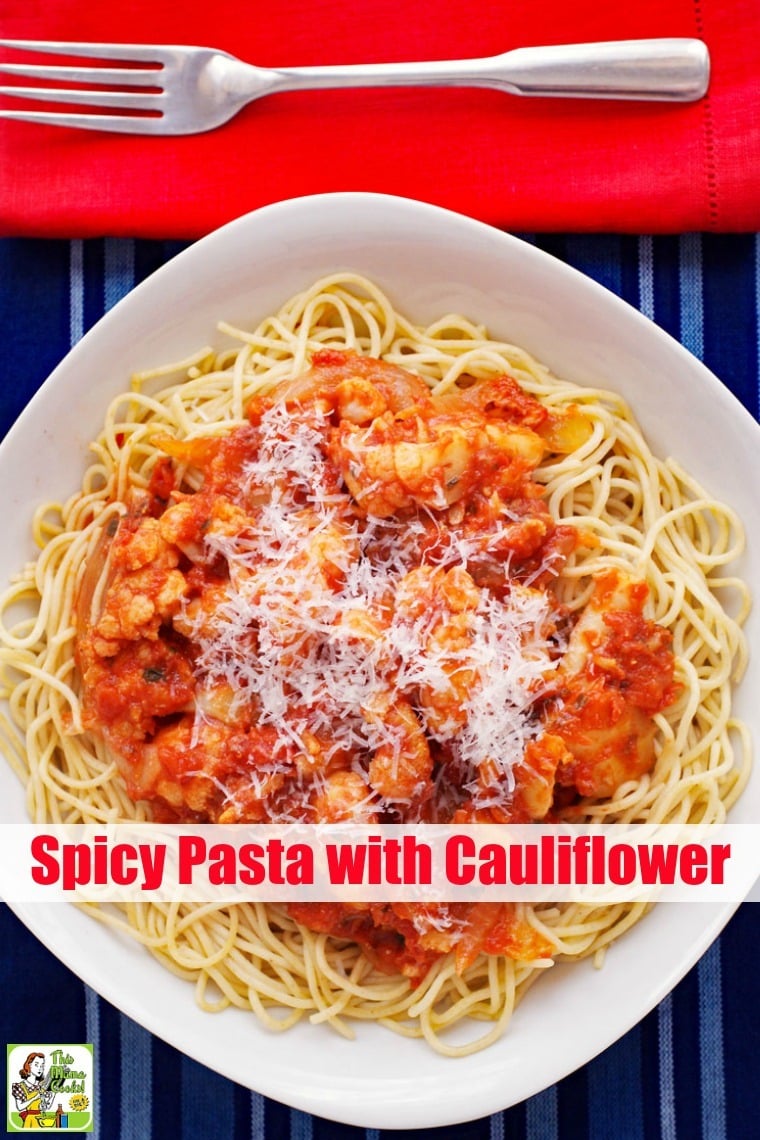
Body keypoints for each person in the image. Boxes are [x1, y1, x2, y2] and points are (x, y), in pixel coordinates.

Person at [11, 1053, 53, 1129]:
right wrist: (34, 1098)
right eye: (37, 1065)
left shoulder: (41, 1086)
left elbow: (45, 1107)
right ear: (29, 1065)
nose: (40, 1068)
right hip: (29, 1121)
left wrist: (53, 1093)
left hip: (40, 1120)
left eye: (42, 1065)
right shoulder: (19, 1086)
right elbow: (20, 1107)